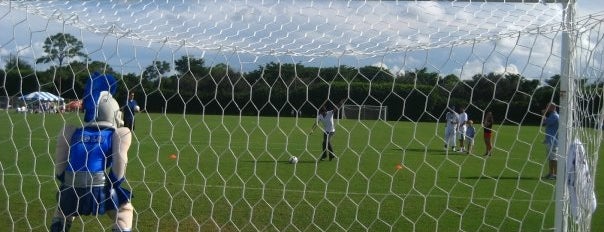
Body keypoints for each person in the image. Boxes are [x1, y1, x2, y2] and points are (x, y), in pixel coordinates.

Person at [50, 73, 134, 232]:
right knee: (124, 209)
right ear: (115, 113)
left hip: (70, 186)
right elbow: (120, 160)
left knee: (63, 210)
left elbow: (60, 156)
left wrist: (62, 177)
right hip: (99, 187)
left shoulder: (71, 131)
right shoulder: (119, 133)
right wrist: (115, 181)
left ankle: (58, 226)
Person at [542, 103, 559, 180]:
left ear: (552, 108)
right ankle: (550, 173)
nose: (546, 108)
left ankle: (555, 174)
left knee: (554, 158)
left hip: (554, 141)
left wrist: (544, 113)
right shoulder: (552, 115)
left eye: (548, 107)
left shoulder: (555, 116)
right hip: (550, 140)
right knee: (550, 158)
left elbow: (545, 122)